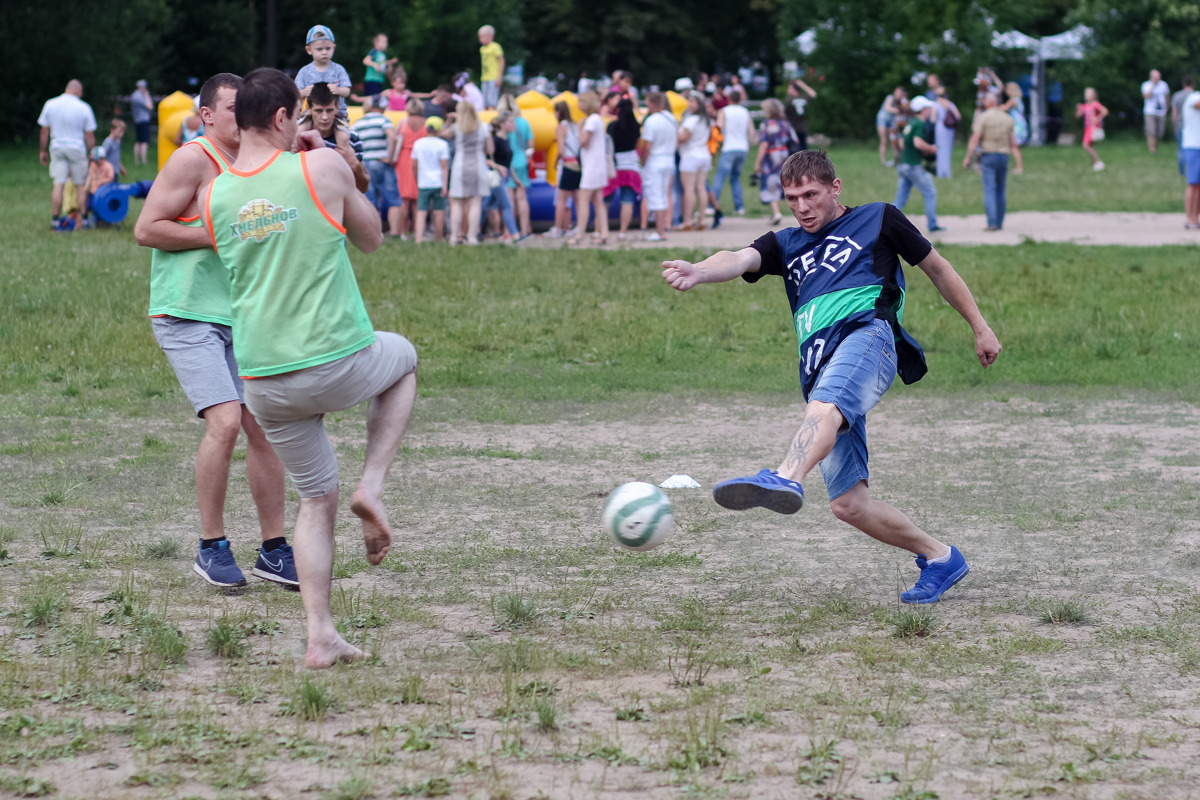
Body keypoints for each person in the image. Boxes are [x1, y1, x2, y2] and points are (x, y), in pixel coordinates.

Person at [660, 149, 1000, 606]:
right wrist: (699, 271)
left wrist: (980, 327)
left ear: (835, 188)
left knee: (824, 407)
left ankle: (785, 475)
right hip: (820, 367)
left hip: (868, 338)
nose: (802, 206)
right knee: (848, 505)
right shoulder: (786, 243)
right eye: (793, 197)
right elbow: (738, 258)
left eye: (811, 194)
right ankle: (941, 558)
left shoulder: (878, 219)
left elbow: (938, 269)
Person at [198, 67, 419, 669]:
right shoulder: (319, 167)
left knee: (315, 500)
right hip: (335, 359)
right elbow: (371, 239)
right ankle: (373, 483)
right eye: (296, 115)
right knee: (402, 360)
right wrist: (334, 164)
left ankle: (320, 635)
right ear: (281, 119)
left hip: (263, 381)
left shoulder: (213, 194)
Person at [133, 72, 291, 590]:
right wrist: (212, 234)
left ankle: (274, 549)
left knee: (262, 427)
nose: (242, 116)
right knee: (224, 422)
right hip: (186, 313)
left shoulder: (253, 164)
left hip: (240, 316)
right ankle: (211, 547)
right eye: (231, 108)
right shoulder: (193, 159)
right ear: (207, 115)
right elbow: (147, 228)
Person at [38, 79, 97, 231]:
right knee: (80, 185)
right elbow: (89, 135)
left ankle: (55, 220)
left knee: (58, 184)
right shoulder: (84, 107)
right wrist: (93, 154)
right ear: (77, 90)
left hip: (57, 148)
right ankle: (83, 220)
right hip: (76, 149)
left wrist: (43, 151)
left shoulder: (50, 104)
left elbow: (44, 130)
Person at [963, 92, 1016, 232]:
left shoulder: (983, 117)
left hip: (989, 155)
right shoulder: (1008, 118)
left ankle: (992, 222)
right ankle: (999, 221)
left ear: (990, 102)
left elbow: (975, 138)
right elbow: (1013, 142)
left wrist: (968, 157)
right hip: (1004, 156)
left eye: (985, 100)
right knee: (1000, 190)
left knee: (990, 189)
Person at [303, 83, 369, 194]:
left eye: (329, 110)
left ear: (337, 107)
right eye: (319, 111)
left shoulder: (351, 139)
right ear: (308, 109)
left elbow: (363, 188)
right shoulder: (299, 139)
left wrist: (355, 164)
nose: (325, 117)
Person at [893, 96, 945, 233]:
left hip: (903, 164)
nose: (929, 111)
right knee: (930, 193)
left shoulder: (910, 124)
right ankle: (932, 225)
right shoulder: (920, 124)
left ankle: (880, 222)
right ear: (922, 110)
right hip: (913, 166)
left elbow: (902, 144)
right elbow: (917, 143)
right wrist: (931, 148)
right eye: (927, 108)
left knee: (900, 198)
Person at [444, 100, 493, 245]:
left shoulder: (456, 127)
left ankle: (454, 237)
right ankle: (472, 237)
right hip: (478, 166)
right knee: (475, 202)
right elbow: (490, 150)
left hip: (460, 166)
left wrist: (449, 120)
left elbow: (440, 133)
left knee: (457, 203)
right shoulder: (484, 127)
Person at [351, 95, 399, 231]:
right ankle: (395, 233)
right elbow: (392, 137)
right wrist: (390, 157)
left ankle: (372, 232)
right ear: (383, 107)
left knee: (369, 201)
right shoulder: (384, 120)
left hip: (365, 165)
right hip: (381, 162)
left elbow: (351, 142)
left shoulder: (358, 123)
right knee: (393, 199)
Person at [638, 91, 677, 242]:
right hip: (669, 159)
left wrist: (643, 162)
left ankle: (660, 231)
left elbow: (647, 146)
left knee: (656, 196)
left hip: (655, 160)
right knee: (664, 194)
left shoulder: (651, 121)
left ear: (652, 103)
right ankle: (663, 228)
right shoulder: (671, 118)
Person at [573, 90, 610, 245]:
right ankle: (604, 232)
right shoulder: (597, 119)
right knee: (598, 201)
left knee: (584, 199)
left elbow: (583, 142)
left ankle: (580, 234)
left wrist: (579, 128)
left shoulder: (591, 120)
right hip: (597, 166)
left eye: (581, 102)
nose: (579, 105)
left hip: (592, 167)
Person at [711, 87, 753, 216]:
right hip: (742, 148)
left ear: (729, 99)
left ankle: (711, 205)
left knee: (720, 176)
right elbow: (751, 131)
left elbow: (719, 127)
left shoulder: (724, 111)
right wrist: (748, 145)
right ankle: (739, 207)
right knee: (735, 178)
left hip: (729, 147)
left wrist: (716, 144)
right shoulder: (745, 112)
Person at [754, 98, 795, 226]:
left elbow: (764, 144)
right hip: (784, 154)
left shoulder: (766, 124)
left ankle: (776, 213)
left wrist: (757, 162)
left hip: (771, 157)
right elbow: (795, 140)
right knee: (782, 182)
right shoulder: (785, 124)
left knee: (771, 183)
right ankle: (778, 211)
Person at [295, 25, 352, 114]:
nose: (324, 52)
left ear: (333, 48)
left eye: (328, 48)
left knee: (342, 128)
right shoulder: (304, 72)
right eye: (319, 49)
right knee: (301, 127)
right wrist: (304, 92)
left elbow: (347, 91)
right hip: (311, 114)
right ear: (309, 50)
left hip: (337, 114)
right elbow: (296, 93)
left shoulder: (338, 69)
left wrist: (338, 90)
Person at [606, 97, 642, 241]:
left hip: (614, 166)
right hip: (631, 166)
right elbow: (638, 145)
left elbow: (608, 145)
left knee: (605, 199)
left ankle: (601, 229)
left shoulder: (612, 126)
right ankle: (622, 232)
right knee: (627, 200)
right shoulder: (636, 127)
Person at [497, 95, 533, 239]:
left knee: (508, 199)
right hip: (521, 161)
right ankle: (525, 230)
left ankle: (509, 231)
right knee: (522, 199)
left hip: (507, 163)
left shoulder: (502, 122)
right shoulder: (524, 122)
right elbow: (531, 145)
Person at [676, 92, 712, 231]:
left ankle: (687, 221)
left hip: (690, 156)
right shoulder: (706, 120)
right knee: (701, 188)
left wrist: (676, 133)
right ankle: (701, 219)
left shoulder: (691, 120)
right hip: (704, 154)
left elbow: (683, 138)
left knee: (689, 189)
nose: (689, 104)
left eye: (692, 102)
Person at [411, 117, 450, 243]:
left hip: (423, 182)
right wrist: (445, 184)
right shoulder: (443, 144)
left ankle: (418, 239)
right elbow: (444, 166)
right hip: (438, 181)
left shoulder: (418, 143)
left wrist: (417, 179)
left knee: (421, 211)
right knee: (439, 211)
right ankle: (438, 238)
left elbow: (414, 165)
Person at [483, 111, 520, 243]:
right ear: (502, 124)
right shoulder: (495, 140)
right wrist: (498, 167)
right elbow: (486, 159)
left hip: (504, 176)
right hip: (496, 176)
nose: (513, 125)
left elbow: (507, 163)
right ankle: (514, 234)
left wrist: (515, 178)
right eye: (511, 122)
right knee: (507, 205)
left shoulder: (506, 139)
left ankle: (482, 231)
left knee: (488, 204)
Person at [392, 98, 426, 239]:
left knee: (404, 200)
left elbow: (396, 139)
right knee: (418, 200)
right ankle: (417, 231)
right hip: (421, 160)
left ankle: (402, 232)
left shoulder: (403, 123)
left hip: (404, 160)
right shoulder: (426, 123)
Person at [549, 100, 581, 238]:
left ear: (557, 112)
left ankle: (557, 228)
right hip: (578, 165)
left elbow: (561, 150)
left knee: (561, 199)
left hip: (567, 165)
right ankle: (576, 226)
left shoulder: (561, 127)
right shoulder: (576, 125)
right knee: (577, 198)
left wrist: (555, 163)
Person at [925, 75, 960, 179]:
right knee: (948, 150)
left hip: (940, 128)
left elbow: (932, 119)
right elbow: (958, 116)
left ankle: (940, 172)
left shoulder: (935, 105)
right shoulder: (950, 104)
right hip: (950, 129)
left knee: (940, 150)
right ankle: (947, 172)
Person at [1180, 82, 1200, 229]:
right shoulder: (1193, 97)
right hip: (1193, 146)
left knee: (1198, 185)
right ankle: (1189, 218)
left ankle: (1196, 218)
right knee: (1193, 184)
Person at [1075, 88, 1108, 172]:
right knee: (1091, 146)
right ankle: (1095, 165)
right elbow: (1078, 116)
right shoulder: (1085, 106)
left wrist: (1098, 118)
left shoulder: (1095, 104)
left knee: (1085, 145)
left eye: (1088, 94)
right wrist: (1078, 109)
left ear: (1093, 95)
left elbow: (1105, 111)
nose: (1086, 96)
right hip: (1087, 128)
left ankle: (1099, 162)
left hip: (1093, 128)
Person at [784, 78, 817, 153]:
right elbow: (813, 94)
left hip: (791, 128)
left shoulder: (789, 100)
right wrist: (803, 85)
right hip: (802, 127)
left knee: (792, 150)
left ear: (793, 89)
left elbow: (784, 114)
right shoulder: (804, 99)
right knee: (803, 149)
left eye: (790, 87)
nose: (788, 89)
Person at [361, 33, 397, 98]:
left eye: (386, 42)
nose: (386, 44)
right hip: (371, 80)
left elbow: (383, 69)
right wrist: (374, 64)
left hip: (378, 81)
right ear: (376, 42)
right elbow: (365, 60)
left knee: (376, 100)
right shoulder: (374, 51)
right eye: (383, 41)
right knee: (371, 99)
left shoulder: (383, 55)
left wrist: (389, 64)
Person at [1172, 75, 1195, 177]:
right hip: (1193, 128)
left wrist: (1175, 125)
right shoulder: (1195, 96)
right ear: (1193, 84)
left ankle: (1182, 172)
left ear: (1183, 84)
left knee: (1180, 149)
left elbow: (1174, 113)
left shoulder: (1177, 96)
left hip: (1180, 125)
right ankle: (1192, 171)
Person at [1142, 69, 1170, 155]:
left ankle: (1155, 146)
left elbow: (1167, 96)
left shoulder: (1164, 85)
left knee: (1160, 132)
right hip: (1150, 111)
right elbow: (1146, 96)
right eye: (1155, 77)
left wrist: (1167, 107)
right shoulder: (1146, 85)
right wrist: (1153, 86)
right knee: (1151, 131)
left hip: (1161, 111)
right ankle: (1152, 151)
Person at [876, 88, 904, 167]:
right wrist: (897, 110)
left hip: (891, 121)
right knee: (883, 141)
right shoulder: (890, 98)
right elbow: (887, 107)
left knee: (894, 140)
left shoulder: (901, 102)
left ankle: (896, 160)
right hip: (882, 119)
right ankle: (883, 161)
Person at [478, 25, 505, 109]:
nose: (480, 39)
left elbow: (501, 61)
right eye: (480, 37)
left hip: (493, 77)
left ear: (490, 36)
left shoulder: (495, 47)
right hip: (484, 77)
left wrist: (499, 77)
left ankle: (492, 114)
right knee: (485, 100)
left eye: (482, 37)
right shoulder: (482, 49)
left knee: (492, 100)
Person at [129, 79, 153, 166]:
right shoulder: (139, 96)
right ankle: (143, 161)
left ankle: (137, 161)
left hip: (137, 120)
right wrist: (147, 95)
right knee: (144, 142)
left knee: (138, 141)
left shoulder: (134, 95)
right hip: (143, 120)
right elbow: (150, 106)